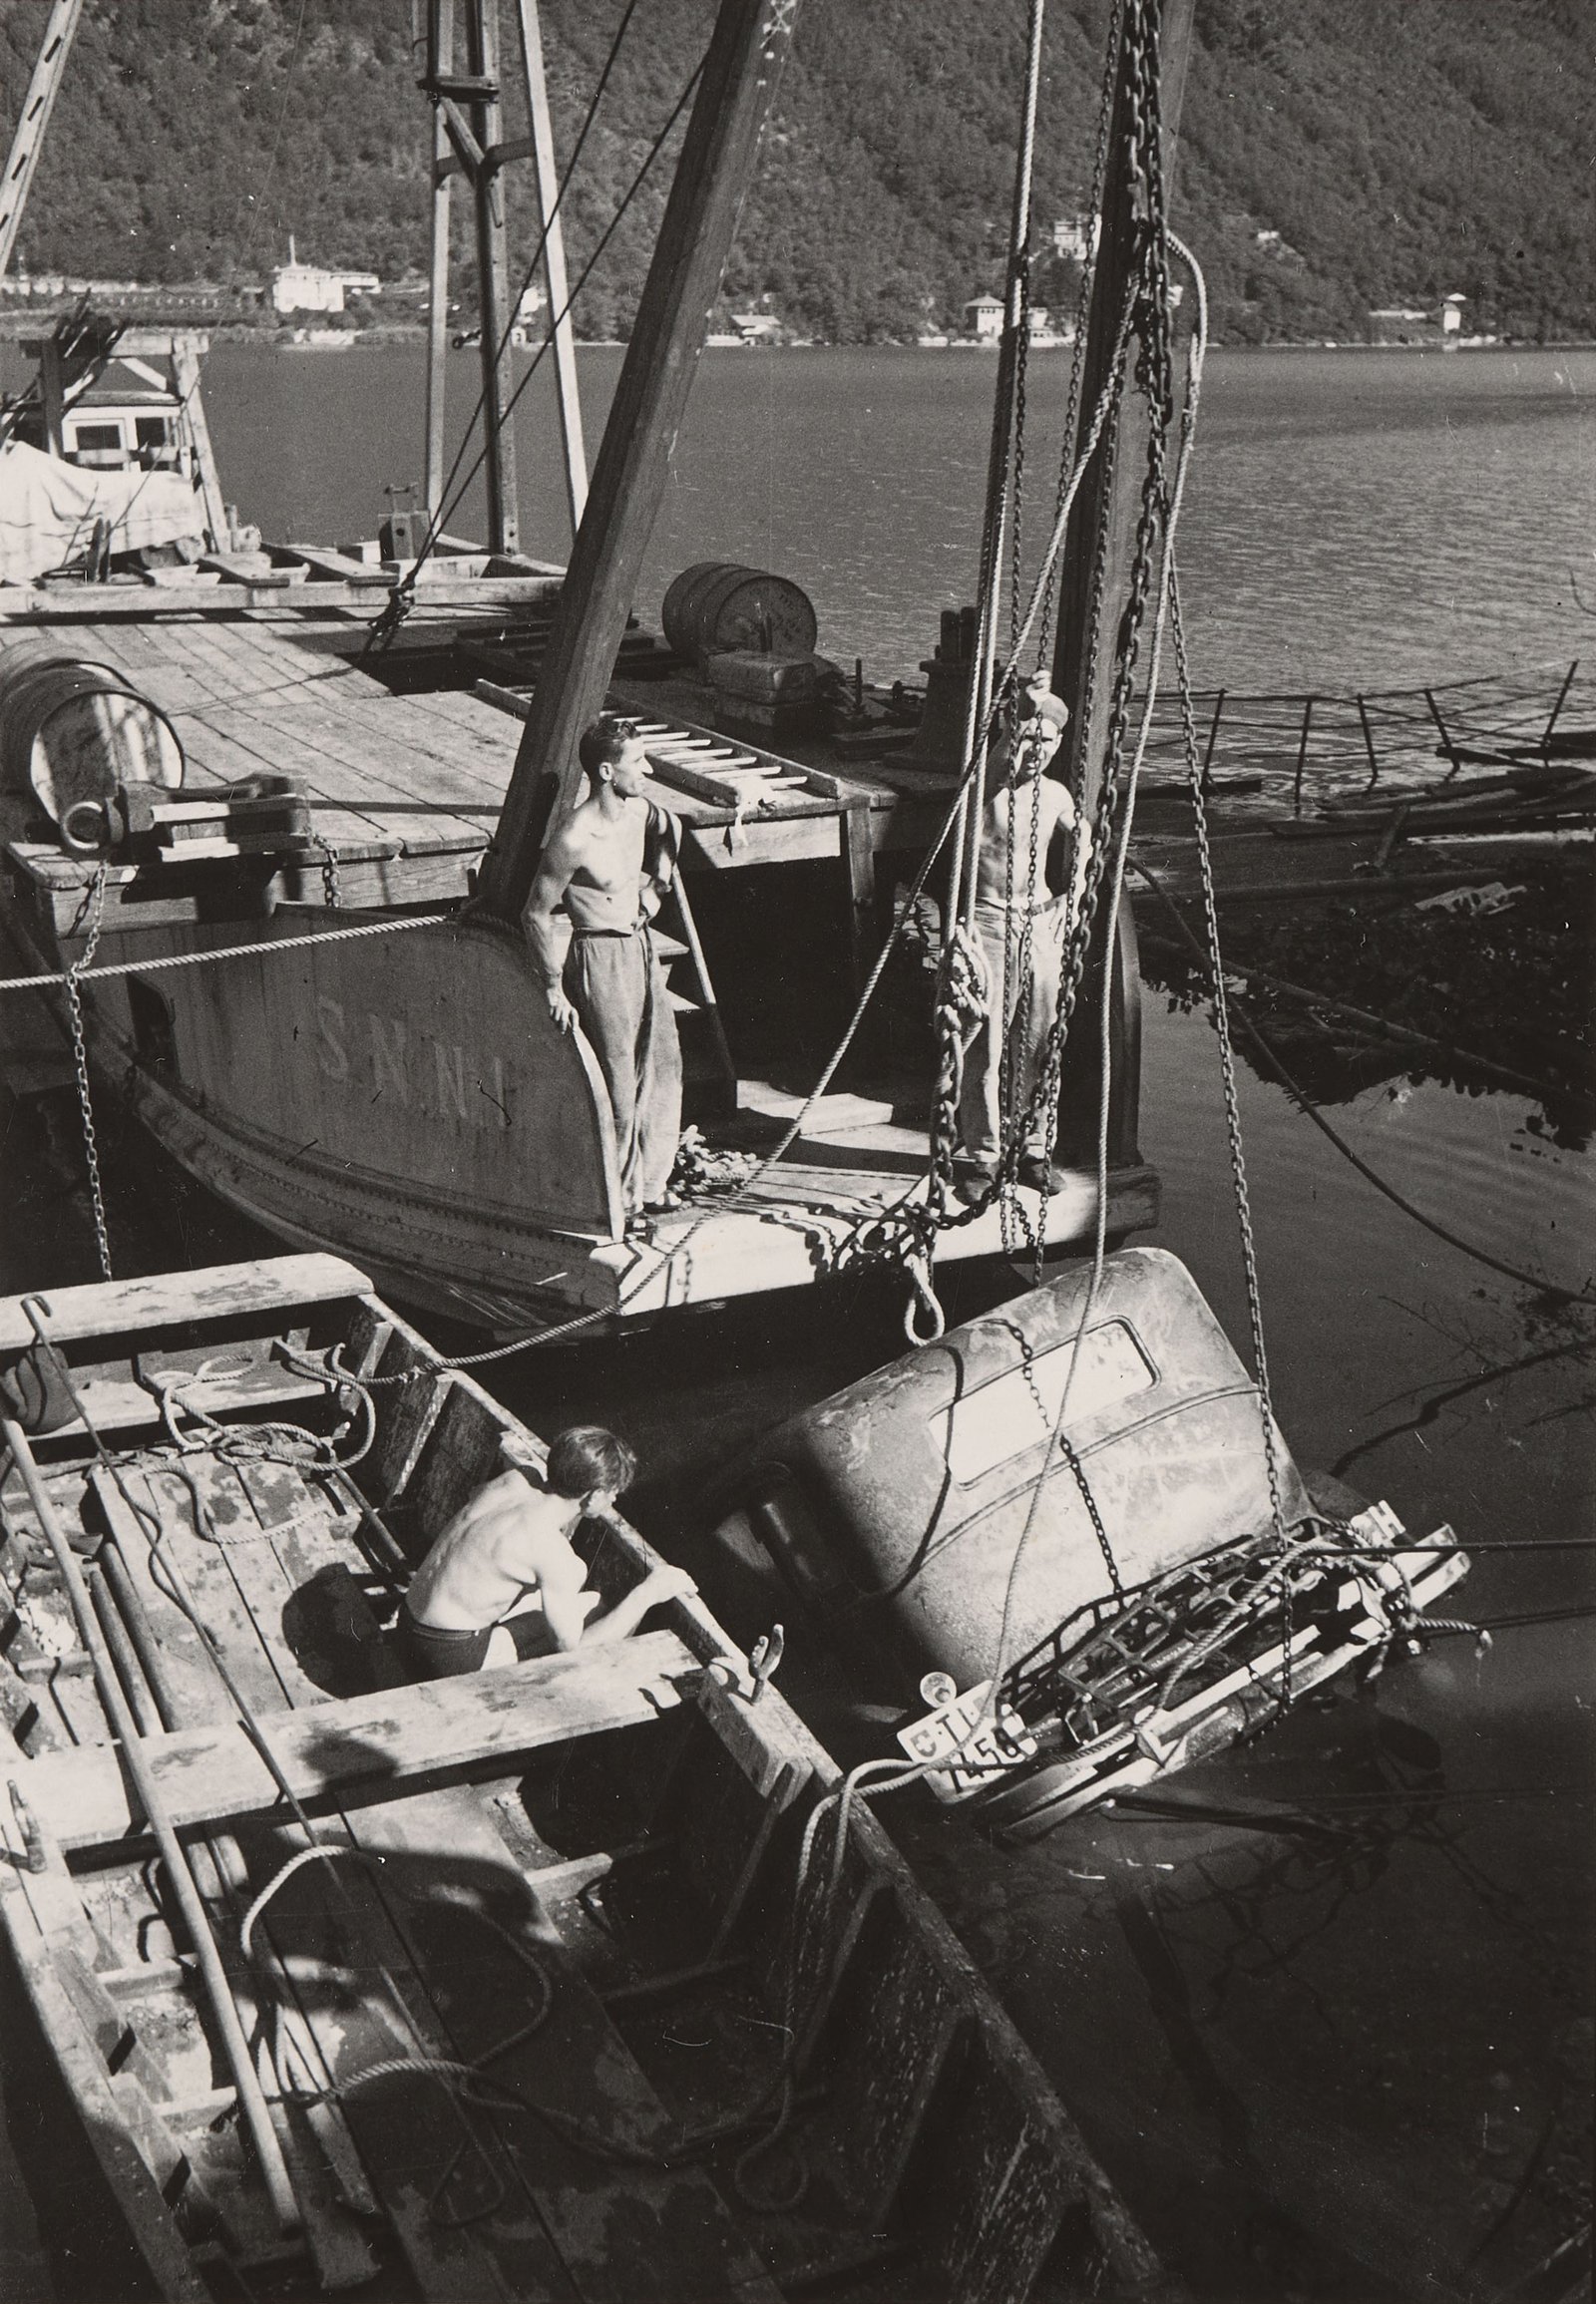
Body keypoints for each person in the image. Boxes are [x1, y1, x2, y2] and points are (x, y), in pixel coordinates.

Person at [523, 715, 683, 1222]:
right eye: (639, 761)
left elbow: (673, 828)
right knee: (617, 1085)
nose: (649, 770)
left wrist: (657, 888)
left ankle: (652, 1183)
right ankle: (615, 1198)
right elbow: (535, 913)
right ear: (607, 772)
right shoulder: (575, 836)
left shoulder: (640, 814)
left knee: (664, 1064)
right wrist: (553, 986)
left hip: (640, 948)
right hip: (599, 956)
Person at [397, 1423, 696, 1680]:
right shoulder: (552, 1552)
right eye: (613, 1492)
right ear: (594, 1497)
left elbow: (476, 1500)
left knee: (573, 1592)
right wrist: (648, 1593)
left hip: (407, 1622)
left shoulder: (516, 1479)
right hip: (443, 1658)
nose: (614, 1500)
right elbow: (572, 1649)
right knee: (594, 1610)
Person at [954, 683, 1088, 1200]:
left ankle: (1034, 1149)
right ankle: (983, 1157)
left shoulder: (1056, 795)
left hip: (1040, 925)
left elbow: (1083, 836)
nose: (1037, 750)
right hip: (989, 923)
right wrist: (1021, 713)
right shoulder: (987, 787)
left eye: (1047, 741)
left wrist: (1074, 894)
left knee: (1041, 1043)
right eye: (1029, 739)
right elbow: (992, 767)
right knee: (985, 1049)